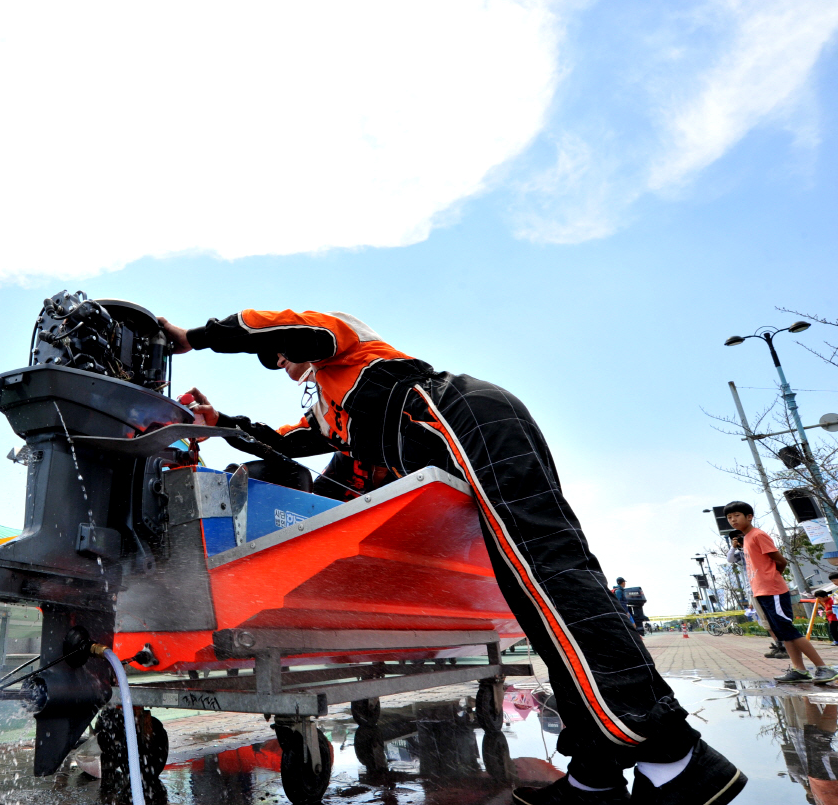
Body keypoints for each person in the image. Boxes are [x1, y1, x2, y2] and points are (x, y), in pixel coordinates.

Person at [159, 309, 745, 805]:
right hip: (453, 435)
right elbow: (286, 444)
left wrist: (194, 337)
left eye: (285, 358)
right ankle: (596, 775)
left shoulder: (346, 346)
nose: (286, 366)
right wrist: (219, 425)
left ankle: (675, 757)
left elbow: (280, 326)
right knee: (528, 590)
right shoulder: (337, 416)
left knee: (547, 570)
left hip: (464, 414)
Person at [724, 500, 836, 685]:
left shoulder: (758, 535)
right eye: (729, 517)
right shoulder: (747, 539)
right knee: (783, 632)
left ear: (749, 517)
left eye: (736, 515)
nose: (733, 520)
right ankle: (799, 670)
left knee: (788, 630)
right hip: (761, 592)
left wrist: (772, 578)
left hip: (772, 591)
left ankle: (823, 667)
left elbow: (781, 561)